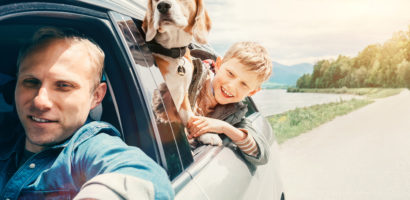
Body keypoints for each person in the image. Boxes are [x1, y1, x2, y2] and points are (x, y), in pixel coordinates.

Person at [0, 27, 174, 199]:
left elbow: (147, 178)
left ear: (96, 97)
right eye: (31, 82)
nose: (40, 101)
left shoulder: (90, 148)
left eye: (63, 86)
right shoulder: (7, 132)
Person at [187, 41, 272, 166]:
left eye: (244, 84)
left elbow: (261, 155)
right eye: (230, 73)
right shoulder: (187, 74)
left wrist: (225, 127)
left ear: (252, 91)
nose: (231, 86)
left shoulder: (234, 115)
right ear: (218, 65)